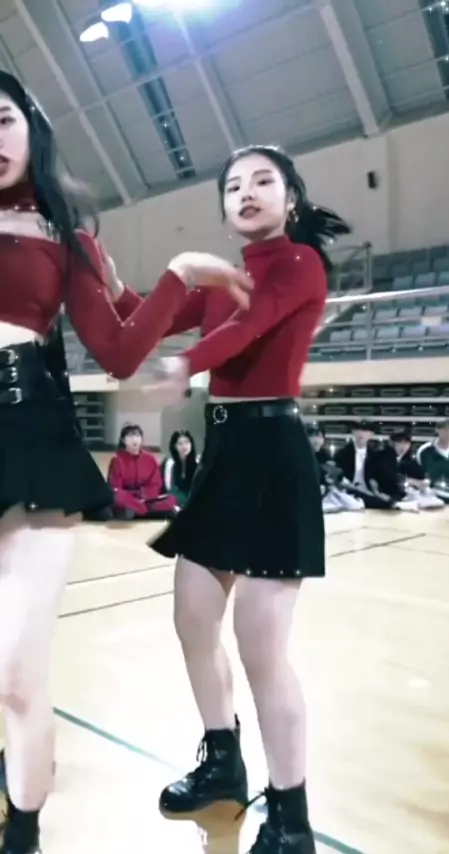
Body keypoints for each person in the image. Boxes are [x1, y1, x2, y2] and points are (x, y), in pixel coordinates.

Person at [0, 71, 251, 854]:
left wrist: (180, 277)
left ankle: (24, 832)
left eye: (1, 119)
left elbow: (116, 349)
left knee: (16, 673)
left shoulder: (66, 237)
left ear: (31, 128)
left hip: (31, 442)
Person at [147, 144, 350, 854]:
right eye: (234, 185)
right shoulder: (223, 279)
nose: (247, 192)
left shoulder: (299, 263)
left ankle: (291, 820)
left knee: (261, 648)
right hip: (223, 453)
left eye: (264, 180)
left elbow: (250, 326)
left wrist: (186, 361)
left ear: (291, 198)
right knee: (192, 619)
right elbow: (147, 316)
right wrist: (116, 281)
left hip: (272, 454)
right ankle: (222, 763)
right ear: (225, 208)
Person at [334, 422, 418, 511]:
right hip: (348, 490)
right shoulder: (342, 453)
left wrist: (377, 492)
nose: (361, 434)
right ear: (353, 432)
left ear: (371, 435)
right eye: (358, 430)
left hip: (368, 491)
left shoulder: (374, 454)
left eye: (365, 431)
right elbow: (338, 477)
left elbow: (375, 477)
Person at [107, 423, 178, 519]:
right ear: (123, 440)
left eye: (137, 435)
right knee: (118, 498)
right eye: (130, 436)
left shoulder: (150, 459)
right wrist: (132, 498)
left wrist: (144, 496)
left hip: (147, 499)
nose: (134, 439)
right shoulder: (117, 460)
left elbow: (156, 484)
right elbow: (115, 487)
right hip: (127, 498)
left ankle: (142, 511)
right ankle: (141, 511)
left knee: (171, 500)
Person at [391, 430, 444, 510]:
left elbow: (422, 477)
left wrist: (424, 483)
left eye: (406, 443)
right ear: (392, 444)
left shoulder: (411, 461)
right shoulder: (384, 459)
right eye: (399, 443)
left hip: (412, 491)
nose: (402, 447)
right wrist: (411, 481)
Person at [163, 430, 199, 507]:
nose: (184, 446)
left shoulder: (198, 463)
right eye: (180, 443)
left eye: (187, 442)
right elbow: (168, 488)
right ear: (174, 446)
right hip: (174, 502)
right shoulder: (169, 464)